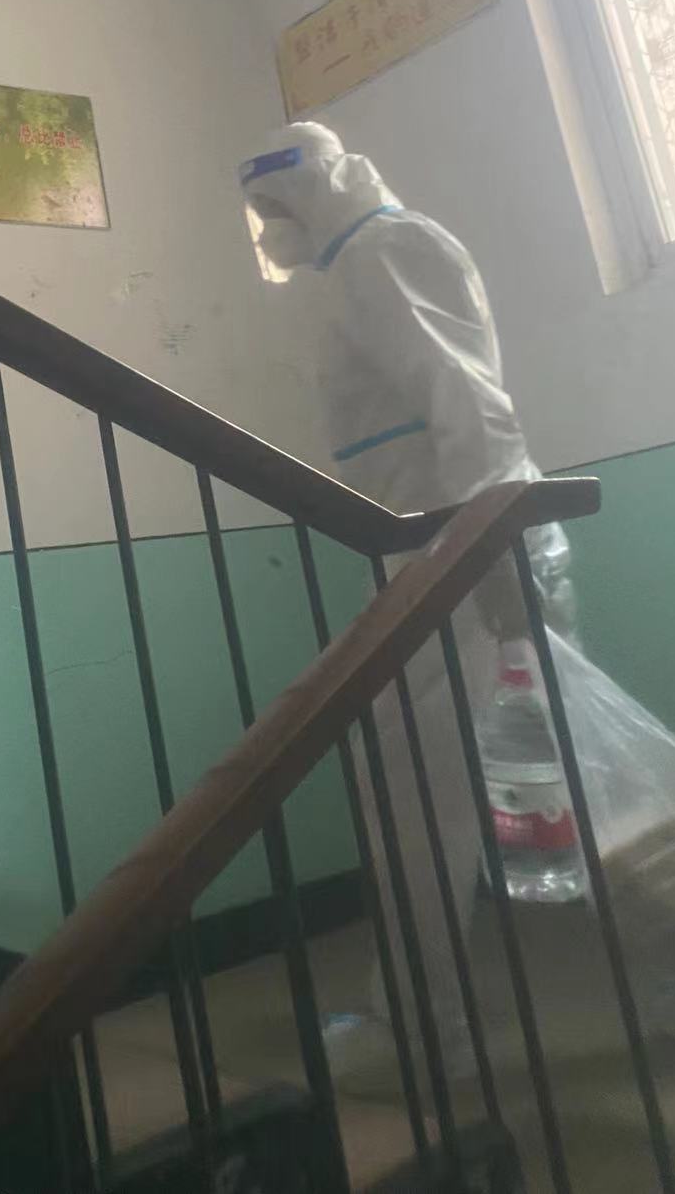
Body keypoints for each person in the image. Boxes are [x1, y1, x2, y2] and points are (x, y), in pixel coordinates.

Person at [238, 121, 574, 1093]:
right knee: (431, 790)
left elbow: (471, 409)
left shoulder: (385, 251)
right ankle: (415, 1015)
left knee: (420, 796)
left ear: (311, 184)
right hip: (436, 552)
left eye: (273, 203)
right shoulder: (360, 262)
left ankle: (428, 1034)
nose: (268, 225)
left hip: (460, 553)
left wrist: (493, 562)